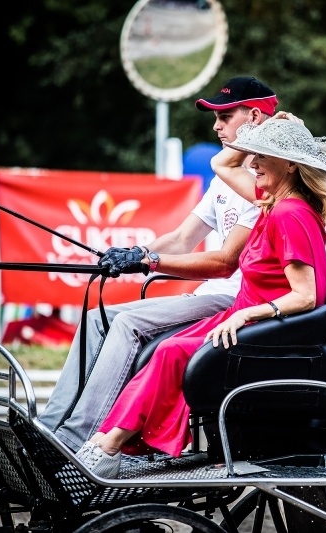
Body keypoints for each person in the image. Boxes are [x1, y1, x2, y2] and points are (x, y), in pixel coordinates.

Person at [76, 118, 326, 478]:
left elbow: (306, 296)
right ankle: (105, 441)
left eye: (263, 155)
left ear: (290, 165)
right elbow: (222, 164)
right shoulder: (273, 204)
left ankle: (108, 447)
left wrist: (247, 316)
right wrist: (261, 134)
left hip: (265, 335)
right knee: (165, 348)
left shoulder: (288, 212)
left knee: (171, 353)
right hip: (246, 321)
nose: (252, 163)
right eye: (253, 154)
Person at [39, 76, 279, 452]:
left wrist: (150, 261)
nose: (216, 125)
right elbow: (184, 237)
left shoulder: (266, 183)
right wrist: (136, 253)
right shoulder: (225, 181)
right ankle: (49, 428)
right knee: (94, 318)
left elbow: (224, 263)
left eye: (225, 115)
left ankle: (75, 438)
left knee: (129, 323)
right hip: (212, 295)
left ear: (254, 116)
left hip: (235, 302)